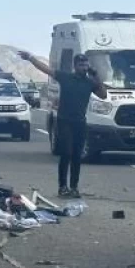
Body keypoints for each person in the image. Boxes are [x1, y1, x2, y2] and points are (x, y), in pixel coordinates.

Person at [19, 51, 107, 198]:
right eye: (80, 64)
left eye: (85, 64)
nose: (83, 67)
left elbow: (103, 95)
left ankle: (74, 187)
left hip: (80, 122)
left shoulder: (90, 82)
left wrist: (96, 76)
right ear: (75, 66)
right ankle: (62, 186)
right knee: (66, 153)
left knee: (77, 156)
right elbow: (45, 69)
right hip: (64, 120)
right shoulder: (66, 77)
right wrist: (30, 58)